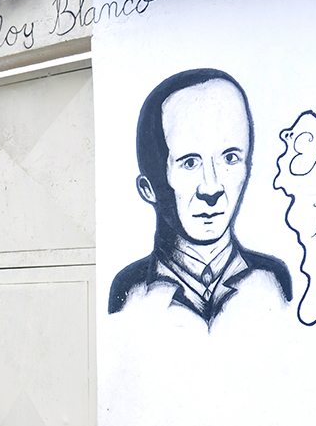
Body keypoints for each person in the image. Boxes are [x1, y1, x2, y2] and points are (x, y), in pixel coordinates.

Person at [108, 68, 292, 326]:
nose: (212, 188)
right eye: (190, 162)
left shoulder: (273, 281)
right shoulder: (130, 293)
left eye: (230, 158)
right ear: (148, 188)